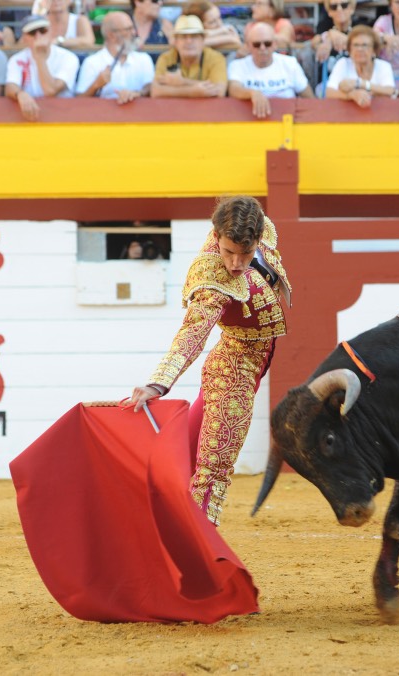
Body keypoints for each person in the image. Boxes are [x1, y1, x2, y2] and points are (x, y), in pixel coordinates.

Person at [126, 196, 292, 527]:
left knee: (178, 460)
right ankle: (196, 555)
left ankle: (139, 518)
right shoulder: (212, 279)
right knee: (212, 473)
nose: (235, 262)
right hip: (234, 368)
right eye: (228, 251)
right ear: (216, 236)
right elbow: (193, 333)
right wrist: (157, 384)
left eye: (244, 254)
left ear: (257, 239)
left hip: (248, 362)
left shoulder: (262, 228)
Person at [228, 22, 314, 119]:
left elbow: (309, 98)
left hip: (287, 122)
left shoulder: (290, 64)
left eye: (267, 43)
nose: (262, 48)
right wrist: (252, 93)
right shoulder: (237, 65)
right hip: (248, 123)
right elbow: (233, 89)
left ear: (275, 44)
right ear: (248, 46)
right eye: (257, 44)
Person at [5, 15, 80, 121]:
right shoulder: (16, 59)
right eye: (32, 32)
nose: (38, 36)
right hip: (29, 118)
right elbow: (10, 86)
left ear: (51, 33)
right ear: (24, 38)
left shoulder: (68, 58)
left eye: (43, 30)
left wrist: (40, 58)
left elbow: (50, 91)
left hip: (63, 117)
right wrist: (20, 94)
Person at [76, 10, 154, 103]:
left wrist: (137, 94)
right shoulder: (92, 63)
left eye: (133, 28)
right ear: (111, 35)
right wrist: (96, 85)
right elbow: (79, 102)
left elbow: (150, 88)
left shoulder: (144, 59)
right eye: (128, 29)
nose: (134, 33)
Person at [152, 15, 226, 98]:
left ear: (203, 40)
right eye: (183, 37)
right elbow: (155, 91)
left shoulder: (215, 58)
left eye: (194, 36)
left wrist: (183, 82)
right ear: (176, 41)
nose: (189, 41)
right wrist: (191, 91)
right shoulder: (166, 58)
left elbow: (219, 91)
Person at [326, 25, 396, 104]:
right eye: (356, 45)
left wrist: (360, 84)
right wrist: (351, 95)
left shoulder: (384, 66)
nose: (360, 49)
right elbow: (329, 92)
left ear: (374, 50)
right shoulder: (343, 63)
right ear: (350, 50)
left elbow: (390, 91)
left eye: (364, 45)